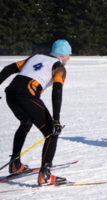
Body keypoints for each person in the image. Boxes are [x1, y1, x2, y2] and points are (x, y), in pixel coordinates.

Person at [0, 39, 71, 185]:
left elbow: (8, 69)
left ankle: (15, 164)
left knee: (25, 123)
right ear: (63, 55)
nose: (69, 59)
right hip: (27, 97)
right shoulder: (59, 67)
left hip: (11, 94)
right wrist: (56, 120)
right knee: (52, 132)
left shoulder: (35, 57)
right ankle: (45, 174)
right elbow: (57, 91)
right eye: (69, 55)